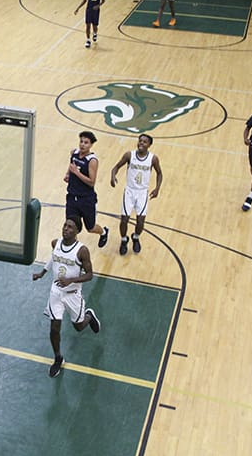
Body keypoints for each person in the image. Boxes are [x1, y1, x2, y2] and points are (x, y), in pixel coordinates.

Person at [32, 217, 100, 378]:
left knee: (78, 326)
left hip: (73, 295)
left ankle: (89, 317)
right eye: (65, 225)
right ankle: (58, 358)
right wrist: (42, 273)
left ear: (77, 231)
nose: (66, 229)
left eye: (70, 227)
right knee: (54, 327)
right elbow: (53, 258)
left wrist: (71, 280)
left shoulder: (82, 251)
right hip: (56, 292)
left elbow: (90, 275)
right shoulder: (56, 243)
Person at [109, 134, 163, 255]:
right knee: (124, 220)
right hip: (129, 191)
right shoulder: (129, 155)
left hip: (142, 192)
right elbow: (116, 167)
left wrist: (157, 188)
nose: (141, 143)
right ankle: (124, 240)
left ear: (149, 145)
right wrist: (113, 177)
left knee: (140, 222)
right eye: (140, 141)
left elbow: (160, 173)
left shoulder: (153, 159)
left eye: (144, 142)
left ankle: (136, 237)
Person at [63, 130, 109, 247]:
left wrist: (76, 173)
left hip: (86, 199)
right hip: (72, 197)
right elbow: (72, 165)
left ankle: (103, 232)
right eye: (81, 141)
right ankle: (72, 249)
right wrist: (68, 173)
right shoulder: (74, 153)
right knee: (71, 225)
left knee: (90, 227)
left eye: (86, 142)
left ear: (91, 145)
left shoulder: (92, 160)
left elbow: (91, 182)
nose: (82, 144)